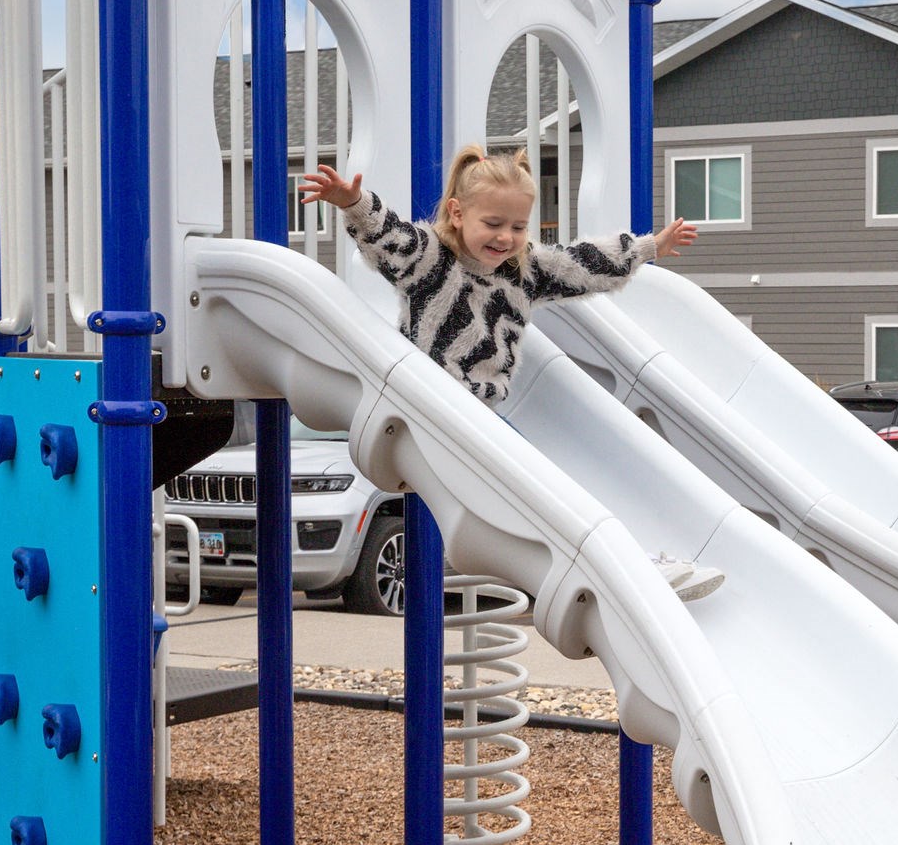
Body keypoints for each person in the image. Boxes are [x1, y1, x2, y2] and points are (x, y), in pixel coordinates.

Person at [300, 145, 723, 602]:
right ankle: (627, 566)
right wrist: (352, 202)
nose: (506, 237)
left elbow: (580, 263)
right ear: (457, 213)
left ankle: (628, 562)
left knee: (548, 485)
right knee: (539, 488)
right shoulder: (431, 261)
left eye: (519, 227)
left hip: (477, 413)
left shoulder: (524, 270)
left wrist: (648, 247)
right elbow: (391, 237)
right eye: (494, 224)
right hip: (433, 409)